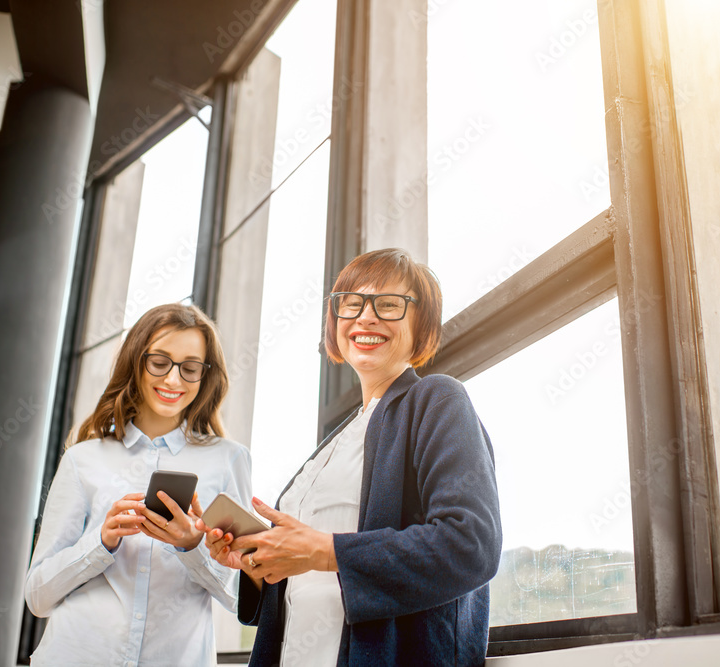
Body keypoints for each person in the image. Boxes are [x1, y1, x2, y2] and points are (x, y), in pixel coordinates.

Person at [198, 248, 503, 666]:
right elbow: (305, 580)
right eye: (352, 304)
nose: (366, 317)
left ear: (422, 323)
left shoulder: (437, 400)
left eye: (390, 304)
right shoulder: (337, 440)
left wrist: (326, 551)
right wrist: (257, 563)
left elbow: (471, 544)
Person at [24, 303, 251, 666]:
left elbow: (245, 599)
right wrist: (101, 540)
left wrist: (192, 547)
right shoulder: (83, 459)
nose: (173, 381)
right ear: (136, 361)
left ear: (204, 375)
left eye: (190, 368)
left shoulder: (229, 460)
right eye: (159, 362)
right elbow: (38, 597)